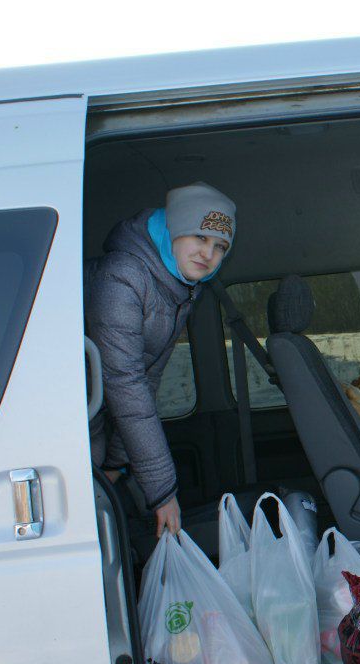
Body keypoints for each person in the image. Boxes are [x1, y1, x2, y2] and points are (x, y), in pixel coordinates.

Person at [87, 182, 236, 537]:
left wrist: (116, 464)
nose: (208, 254)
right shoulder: (124, 275)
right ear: (174, 229)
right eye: (199, 238)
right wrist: (162, 493)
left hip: (96, 419)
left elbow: (148, 378)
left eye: (220, 247)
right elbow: (124, 383)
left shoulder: (178, 288)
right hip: (67, 417)